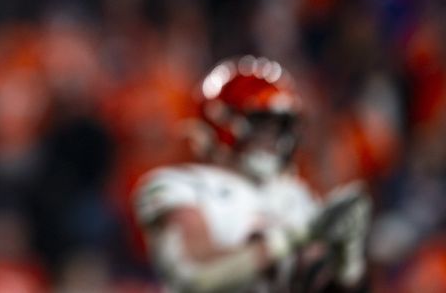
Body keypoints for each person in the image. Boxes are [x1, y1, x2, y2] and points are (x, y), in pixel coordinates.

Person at [132, 55, 371, 292]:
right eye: (263, 126)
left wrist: (347, 260)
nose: (274, 140)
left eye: (280, 128)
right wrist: (293, 238)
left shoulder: (295, 195)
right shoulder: (178, 186)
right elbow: (196, 274)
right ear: (223, 121)